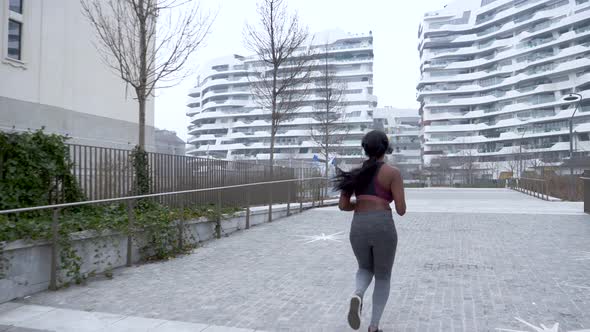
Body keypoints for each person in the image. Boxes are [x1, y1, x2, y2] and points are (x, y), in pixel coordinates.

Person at [333, 130, 406, 332]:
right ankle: (373, 327)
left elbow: (342, 205)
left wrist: (360, 202)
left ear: (365, 149)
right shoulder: (392, 173)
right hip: (382, 224)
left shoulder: (355, 173)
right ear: (385, 148)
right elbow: (401, 210)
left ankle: (358, 294)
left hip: (358, 226)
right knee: (383, 276)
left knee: (365, 268)